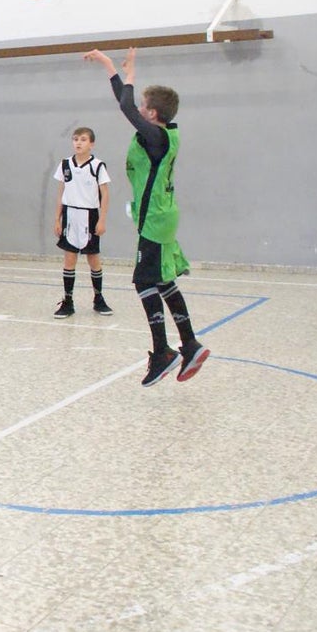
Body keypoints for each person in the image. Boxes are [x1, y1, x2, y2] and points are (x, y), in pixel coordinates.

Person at [83, 48, 209, 387]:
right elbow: (125, 103)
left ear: (152, 113)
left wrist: (119, 68)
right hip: (162, 215)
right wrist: (115, 72)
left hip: (156, 218)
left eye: (143, 106)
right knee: (163, 280)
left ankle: (164, 352)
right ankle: (191, 343)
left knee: (143, 281)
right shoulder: (162, 133)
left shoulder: (155, 137)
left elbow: (125, 106)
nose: (137, 109)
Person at [51, 127, 113, 318]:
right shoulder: (65, 165)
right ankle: (68, 301)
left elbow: (105, 195)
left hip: (90, 215)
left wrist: (102, 220)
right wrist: (57, 219)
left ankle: (98, 298)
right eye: (75, 139)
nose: (78, 142)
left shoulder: (98, 166)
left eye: (83, 139)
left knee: (93, 258)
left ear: (91, 143)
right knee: (69, 258)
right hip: (70, 215)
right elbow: (61, 192)